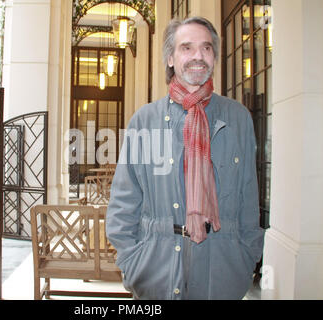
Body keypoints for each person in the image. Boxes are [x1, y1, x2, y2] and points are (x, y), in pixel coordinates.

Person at [106, 16, 265, 299]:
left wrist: (246, 260)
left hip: (223, 274)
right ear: (170, 58)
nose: (197, 56)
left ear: (214, 57)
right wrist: (133, 263)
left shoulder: (238, 118)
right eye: (186, 48)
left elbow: (249, 199)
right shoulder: (145, 121)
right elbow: (123, 202)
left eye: (206, 48)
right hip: (156, 274)